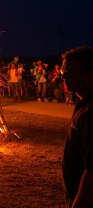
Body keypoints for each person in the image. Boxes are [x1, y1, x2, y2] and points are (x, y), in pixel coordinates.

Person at [61, 46, 93, 207]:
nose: (63, 76)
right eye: (63, 71)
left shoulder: (91, 113)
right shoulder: (82, 103)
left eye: (70, 71)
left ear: (89, 75)